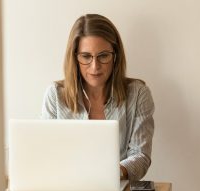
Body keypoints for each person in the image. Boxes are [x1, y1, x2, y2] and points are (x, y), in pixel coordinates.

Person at [41, 14, 154, 181]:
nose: (95, 67)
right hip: (66, 189)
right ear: (75, 57)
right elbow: (46, 154)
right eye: (86, 56)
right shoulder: (55, 95)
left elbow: (141, 156)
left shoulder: (138, 94)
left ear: (115, 56)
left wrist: (111, 173)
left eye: (103, 56)